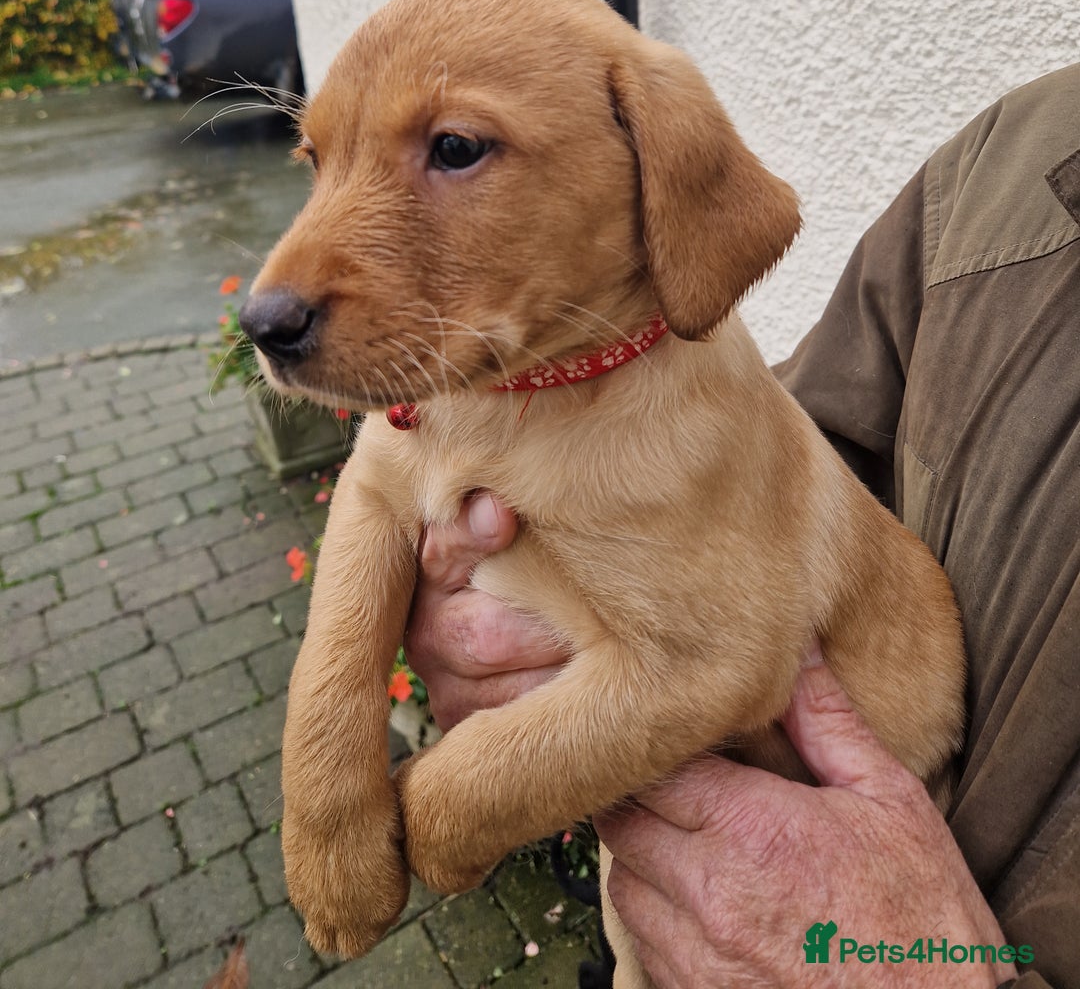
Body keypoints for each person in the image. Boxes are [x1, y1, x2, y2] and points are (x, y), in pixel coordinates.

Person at [405, 63, 1080, 988]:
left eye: (455, 151)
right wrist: (551, 602)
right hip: (678, 901)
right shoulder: (1026, 152)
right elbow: (810, 441)